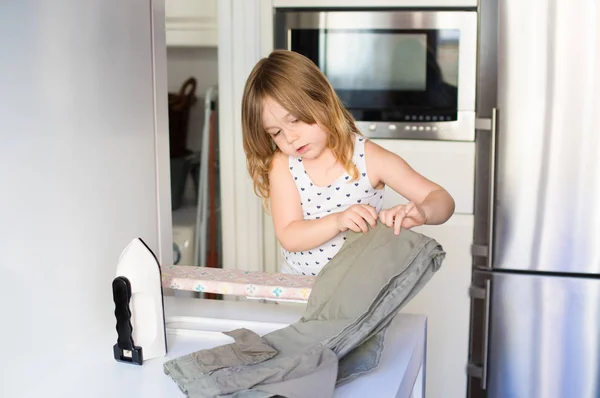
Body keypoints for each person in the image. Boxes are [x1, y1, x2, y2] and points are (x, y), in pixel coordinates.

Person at [241, 50, 455, 276]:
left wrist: (423, 211)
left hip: (354, 296)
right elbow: (289, 236)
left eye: (295, 120)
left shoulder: (370, 159)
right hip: (296, 290)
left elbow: (442, 199)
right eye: (276, 133)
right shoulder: (283, 165)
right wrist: (338, 221)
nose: (290, 138)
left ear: (323, 101)